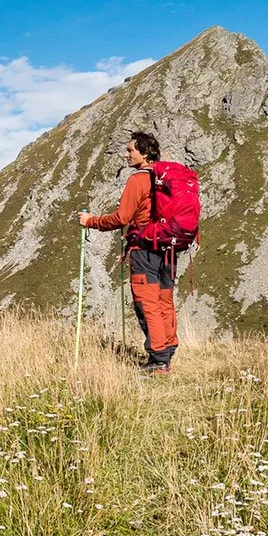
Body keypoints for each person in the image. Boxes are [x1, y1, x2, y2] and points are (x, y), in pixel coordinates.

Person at [78, 130, 178, 374]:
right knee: (164, 301)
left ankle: (158, 361)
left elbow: (121, 218)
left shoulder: (138, 179)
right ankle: (168, 350)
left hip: (144, 249)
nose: (125, 154)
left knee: (147, 303)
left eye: (130, 150)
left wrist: (91, 221)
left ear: (144, 153)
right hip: (169, 249)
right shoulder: (165, 177)